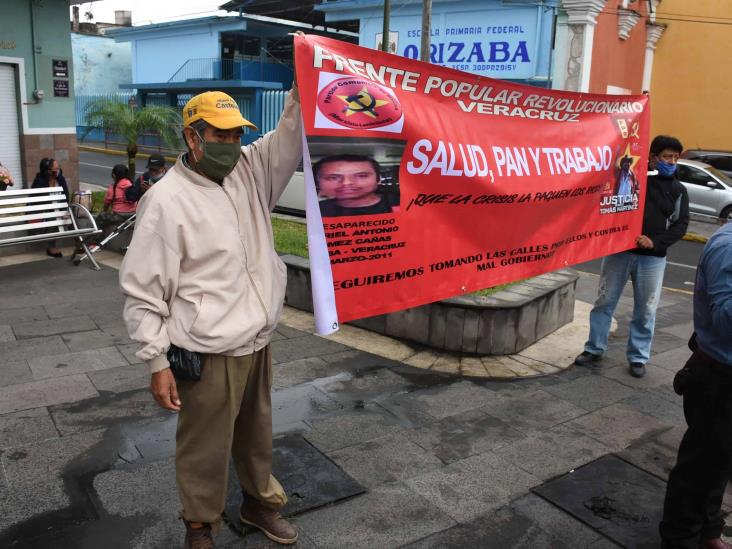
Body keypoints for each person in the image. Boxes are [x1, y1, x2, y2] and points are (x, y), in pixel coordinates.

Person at [119, 76, 302, 547]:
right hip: (207, 346)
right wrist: (156, 362)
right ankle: (199, 524)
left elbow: (288, 136)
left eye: (237, 134)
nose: (233, 144)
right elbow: (143, 292)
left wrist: (303, 87)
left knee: (257, 434)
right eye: (221, 136)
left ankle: (259, 504)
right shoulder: (165, 201)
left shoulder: (250, 172)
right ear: (193, 137)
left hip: (257, 338)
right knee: (204, 445)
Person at [574, 135, 689, 378]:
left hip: (653, 258)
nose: (672, 161)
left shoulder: (678, 190)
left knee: (646, 309)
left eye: (675, 157)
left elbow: (680, 225)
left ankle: (638, 356)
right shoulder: (634, 178)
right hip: (620, 252)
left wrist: (655, 242)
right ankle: (594, 348)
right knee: (604, 302)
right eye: (667, 156)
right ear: (653, 158)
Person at [659, 222, 732, 549]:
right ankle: (679, 539)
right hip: (718, 377)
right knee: (699, 468)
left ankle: (708, 530)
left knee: (721, 462)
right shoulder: (727, 246)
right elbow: (726, 319)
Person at [314, 154, 399, 217]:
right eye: (333, 177)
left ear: (378, 179)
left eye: (362, 176)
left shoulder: (404, 203)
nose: (346, 183)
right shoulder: (316, 211)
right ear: (318, 182)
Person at [31, 158, 69, 258]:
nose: (59, 170)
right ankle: (51, 247)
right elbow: (38, 204)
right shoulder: (39, 182)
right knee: (53, 218)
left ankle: (80, 242)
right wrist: (58, 212)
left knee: (73, 216)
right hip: (43, 214)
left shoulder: (60, 179)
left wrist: (65, 211)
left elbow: (66, 196)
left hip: (58, 211)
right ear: (48, 171)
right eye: (56, 168)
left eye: (58, 167)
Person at [96, 164, 136, 237]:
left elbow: (106, 203)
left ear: (114, 175)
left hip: (119, 215)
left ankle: (96, 240)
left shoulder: (113, 187)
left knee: (99, 218)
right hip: (133, 214)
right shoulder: (132, 185)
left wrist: (104, 211)